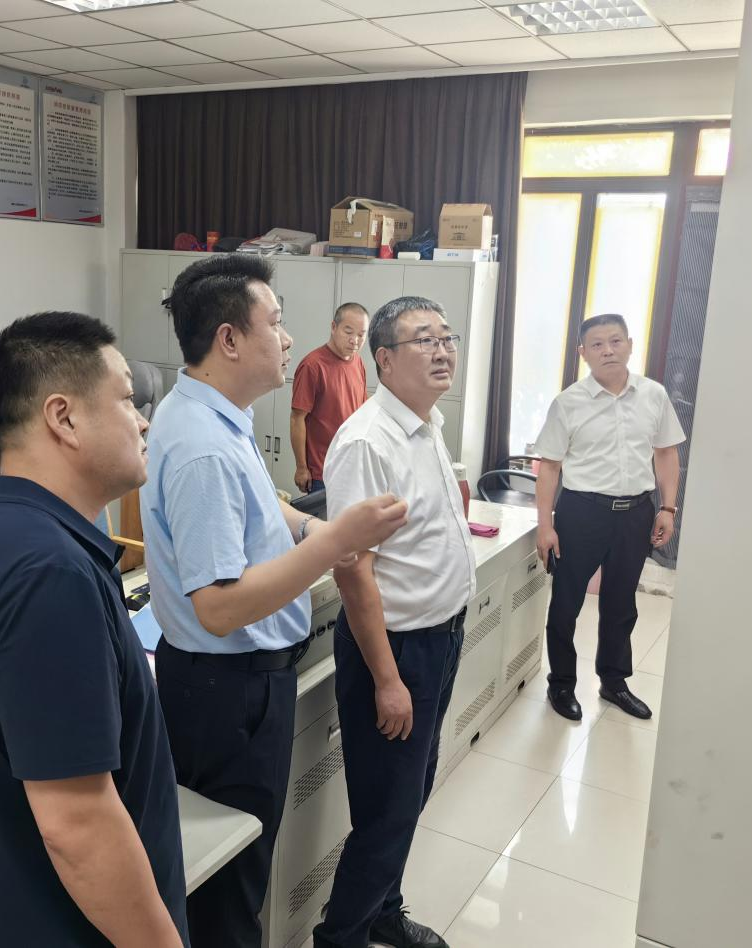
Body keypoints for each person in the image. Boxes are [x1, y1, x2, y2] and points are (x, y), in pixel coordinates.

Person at [140, 254, 408, 948]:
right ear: (229, 339)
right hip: (227, 692)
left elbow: (267, 511)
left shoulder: (216, 417)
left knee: (237, 869)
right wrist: (336, 542)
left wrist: (317, 532)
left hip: (230, 685)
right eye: (277, 323)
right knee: (232, 885)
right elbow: (218, 607)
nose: (289, 339)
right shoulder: (203, 447)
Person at [0, 312, 187, 947]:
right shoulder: (46, 573)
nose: (143, 421)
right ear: (63, 418)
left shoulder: (9, 537)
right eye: (127, 399)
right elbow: (78, 824)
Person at [313, 297, 474, 948]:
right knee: (385, 815)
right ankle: (340, 937)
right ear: (384, 359)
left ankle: (383, 911)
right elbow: (354, 571)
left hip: (439, 640)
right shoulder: (367, 442)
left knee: (409, 796)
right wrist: (387, 679)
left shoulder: (425, 423)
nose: (443, 350)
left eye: (446, 337)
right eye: (424, 340)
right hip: (397, 651)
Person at [534, 313, 685, 722]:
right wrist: (546, 525)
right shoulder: (568, 403)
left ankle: (614, 682)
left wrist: (668, 507)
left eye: (616, 341)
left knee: (621, 604)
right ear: (583, 353)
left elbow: (666, 453)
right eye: (597, 344)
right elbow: (549, 466)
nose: (608, 350)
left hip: (636, 513)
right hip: (581, 512)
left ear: (630, 345)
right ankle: (561, 684)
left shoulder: (653, 395)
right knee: (566, 604)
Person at [291, 302, 369, 493]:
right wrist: (301, 468)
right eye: (348, 332)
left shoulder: (358, 362)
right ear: (334, 327)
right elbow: (297, 419)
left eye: (361, 335)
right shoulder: (312, 365)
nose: (355, 340)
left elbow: (363, 408)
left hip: (352, 466)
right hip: (323, 471)